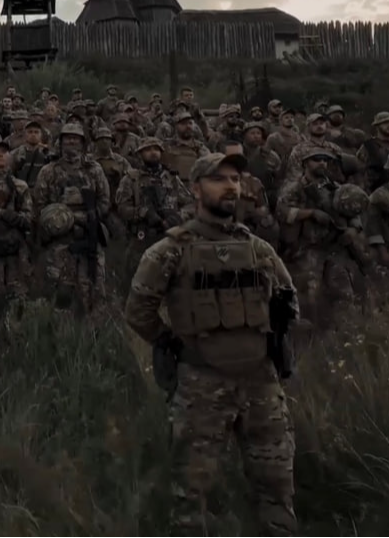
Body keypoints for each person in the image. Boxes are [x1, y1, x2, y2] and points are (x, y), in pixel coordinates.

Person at [126, 152, 299, 537]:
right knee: (190, 493)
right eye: (219, 179)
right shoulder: (171, 250)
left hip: (260, 383)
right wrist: (173, 342)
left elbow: (288, 300)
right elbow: (138, 310)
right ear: (196, 189)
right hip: (201, 384)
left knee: (277, 486)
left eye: (235, 179)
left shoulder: (258, 248)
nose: (231, 186)